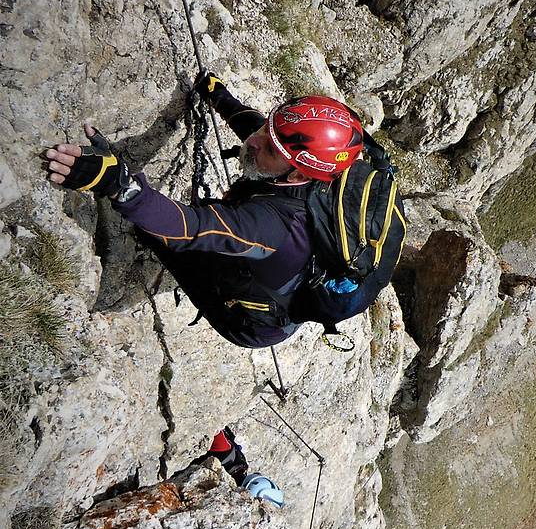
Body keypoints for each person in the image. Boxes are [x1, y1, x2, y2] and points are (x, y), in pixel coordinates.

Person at [45, 76, 364, 348]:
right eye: (268, 127)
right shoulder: (307, 167)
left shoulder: (272, 226)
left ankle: (145, 240)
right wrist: (220, 95)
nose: (256, 140)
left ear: (296, 175)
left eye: (269, 148)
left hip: (251, 324)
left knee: (164, 238)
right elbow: (256, 129)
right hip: (281, 280)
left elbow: (189, 228)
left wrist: (116, 183)